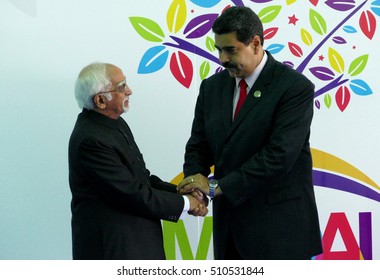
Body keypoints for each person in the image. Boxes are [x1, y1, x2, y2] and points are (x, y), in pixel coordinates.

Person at [177, 6, 323, 259]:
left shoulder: (294, 88)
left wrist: (215, 187)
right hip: (229, 230)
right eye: (219, 49)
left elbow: (279, 156)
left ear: (255, 43)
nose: (222, 59)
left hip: (280, 232)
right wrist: (195, 186)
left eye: (230, 49)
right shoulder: (211, 88)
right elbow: (199, 146)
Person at [68, 62, 208, 260]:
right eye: (121, 87)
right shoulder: (91, 140)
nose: (129, 91)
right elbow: (132, 194)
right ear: (100, 100)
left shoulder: (114, 123)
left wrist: (179, 191)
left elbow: (141, 178)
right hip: (114, 248)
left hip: (135, 242)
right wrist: (186, 203)